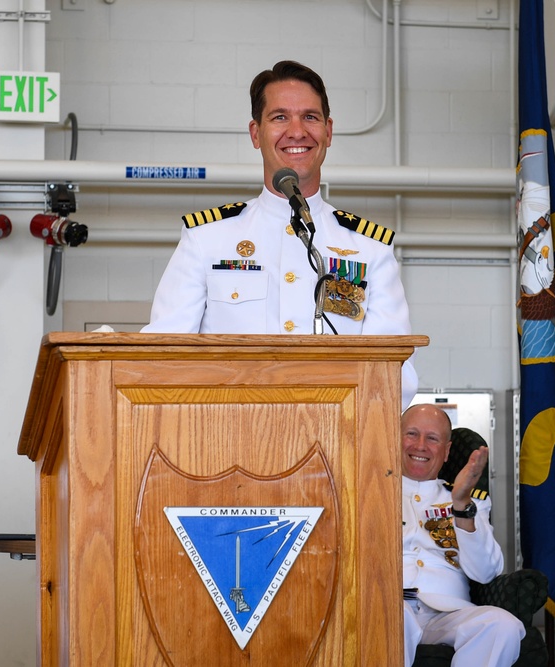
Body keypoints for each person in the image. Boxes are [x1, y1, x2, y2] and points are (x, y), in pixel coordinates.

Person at [142, 60, 417, 407]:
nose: (298, 131)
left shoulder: (369, 248)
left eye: (311, 117)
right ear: (256, 133)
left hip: (336, 445)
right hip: (226, 440)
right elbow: (163, 355)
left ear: (328, 131)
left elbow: (397, 373)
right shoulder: (207, 239)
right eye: (280, 117)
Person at [401, 403, 524, 666]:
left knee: (503, 626)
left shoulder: (469, 500)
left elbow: (486, 572)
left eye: (432, 438)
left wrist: (460, 505)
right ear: (394, 438)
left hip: (448, 613)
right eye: (411, 434)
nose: (420, 445)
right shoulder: (365, 491)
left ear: (446, 452)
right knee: (389, 616)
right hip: (390, 606)